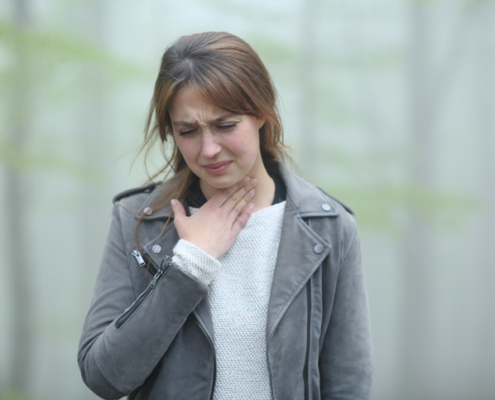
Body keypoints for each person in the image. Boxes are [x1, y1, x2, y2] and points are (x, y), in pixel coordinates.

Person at [78, 31, 373, 400]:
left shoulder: (329, 227)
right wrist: (189, 266)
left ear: (261, 114)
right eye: (188, 131)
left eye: (225, 125)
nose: (209, 149)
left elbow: (348, 384)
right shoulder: (139, 219)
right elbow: (103, 376)